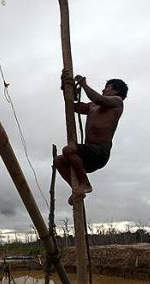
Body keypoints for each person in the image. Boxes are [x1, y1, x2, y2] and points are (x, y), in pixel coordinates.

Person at [54, 75, 127, 204]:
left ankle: (85, 183)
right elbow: (74, 107)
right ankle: (77, 189)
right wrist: (67, 89)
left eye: (107, 88)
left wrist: (84, 85)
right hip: (86, 153)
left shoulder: (117, 101)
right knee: (59, 160)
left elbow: (99, 99)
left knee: (69, 150)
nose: (103, 90)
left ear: (116, 91)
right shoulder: (93, 106)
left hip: (99, 152)